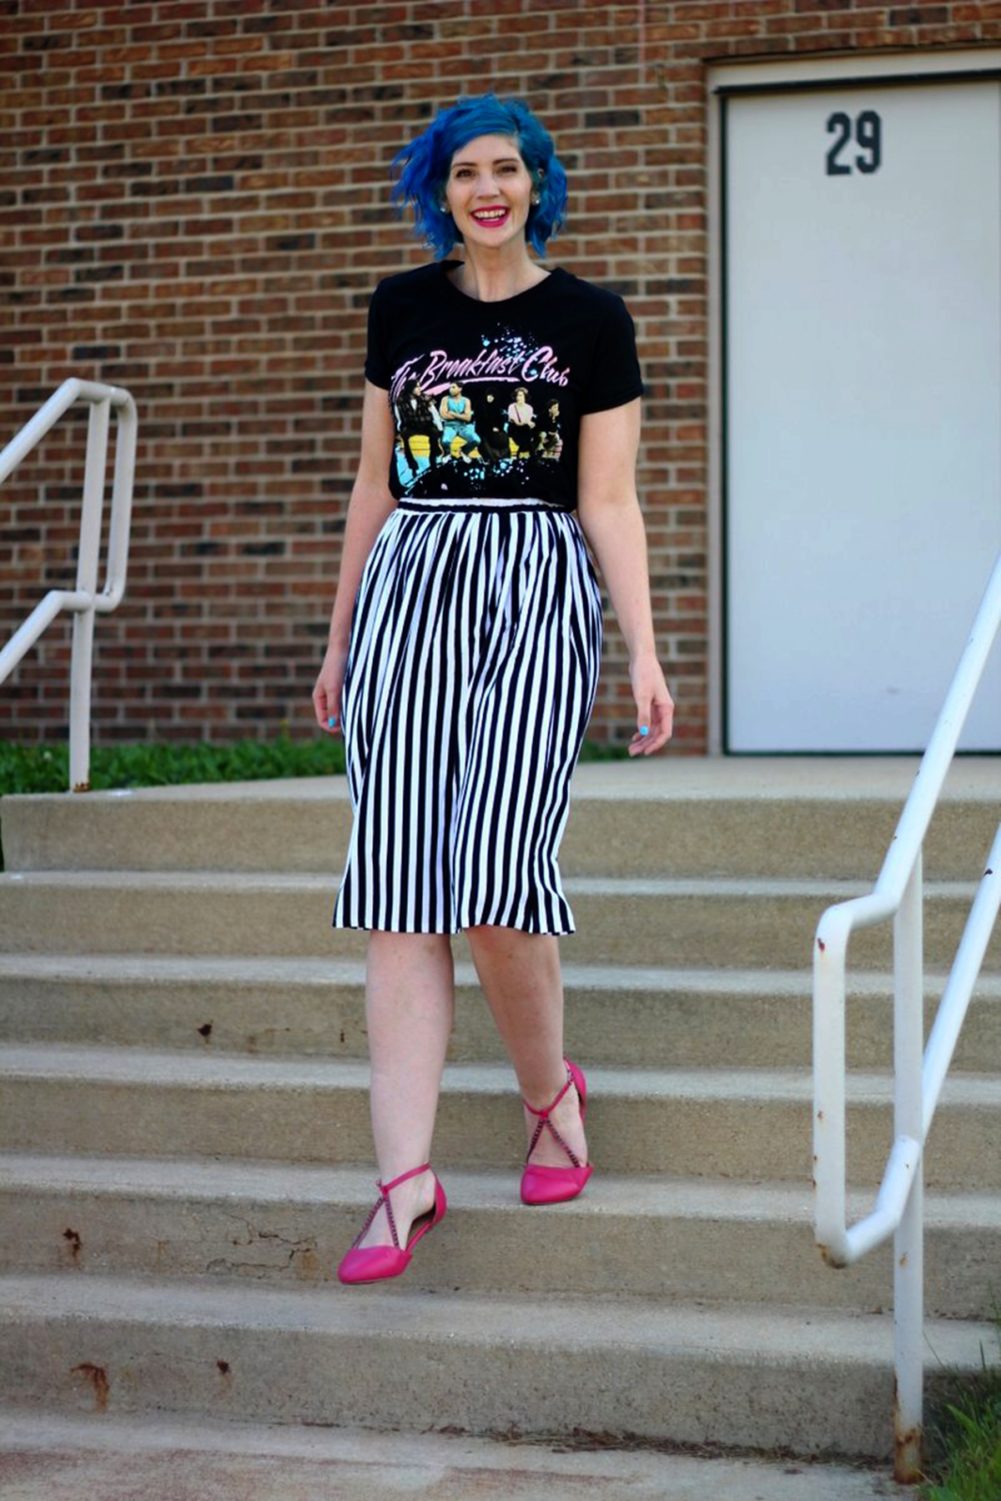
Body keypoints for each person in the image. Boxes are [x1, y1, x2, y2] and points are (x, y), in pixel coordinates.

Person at [312, 93, 674, 1287]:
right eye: (463, 171)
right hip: (409, 587)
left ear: (535, 185)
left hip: (530, 581)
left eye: (504, 169)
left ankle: (546, 1094)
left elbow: (607, 498)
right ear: (441, 192)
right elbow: (375, 483)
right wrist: (337, 637)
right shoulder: (400, 307)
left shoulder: (589, 319)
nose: (485, 188)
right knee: (399, 884)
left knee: (496, 878)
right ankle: (402, 1180)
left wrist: (642, 650)